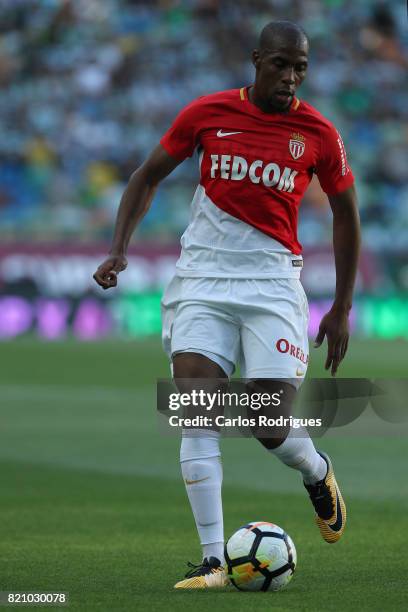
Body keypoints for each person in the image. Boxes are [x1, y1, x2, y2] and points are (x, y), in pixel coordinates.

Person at [93, 20, 361, 589]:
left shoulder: (317, 132)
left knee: (267, 423)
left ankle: (316, 471)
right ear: (258, 59)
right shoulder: (207, 114)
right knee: (197, 410)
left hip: (272, 286)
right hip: (203, 280)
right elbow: (147, 177)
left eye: (301, 69)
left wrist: (341, 305)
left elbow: (346, 214)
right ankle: (214, 561)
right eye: (281, 65)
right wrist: (119, 248)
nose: (290, 78)